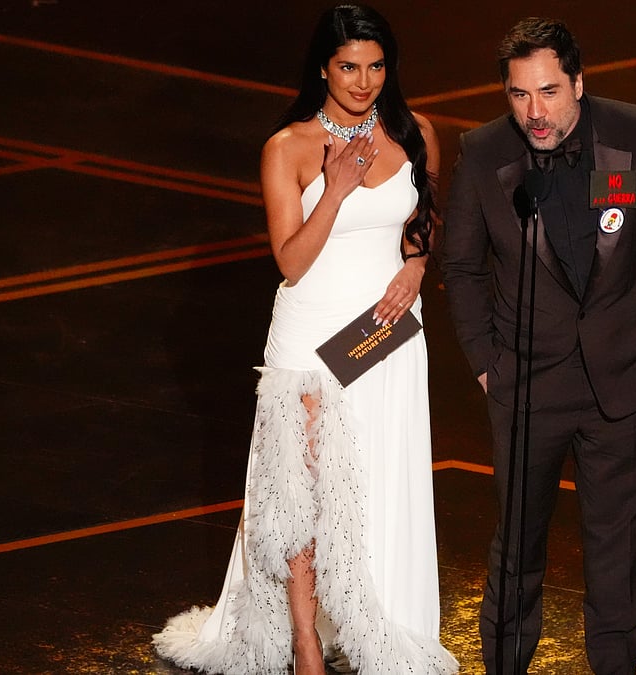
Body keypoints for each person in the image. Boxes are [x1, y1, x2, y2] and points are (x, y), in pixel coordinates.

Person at [153, 5, 458, 674]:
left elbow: (425, 219)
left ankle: (369, 620)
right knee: (304, 489)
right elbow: (291, 260)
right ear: (323, 68)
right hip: (314, 336)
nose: (363, 81)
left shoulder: (416, 132)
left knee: (373, 483)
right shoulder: (287, 147)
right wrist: (335, 190)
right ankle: (304, 640)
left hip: (387, 332)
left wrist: (415, 266)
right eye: (349, 67)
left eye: (376, 66)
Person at [440, 17, 636, 675]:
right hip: (526, 386)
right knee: (517, 550)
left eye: (549, 91)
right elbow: (461, 266)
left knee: (616, 553)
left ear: (579, 82)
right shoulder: (483, 152)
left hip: (623, 383)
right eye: (519, 94)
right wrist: (486, 363)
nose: (535, 111)